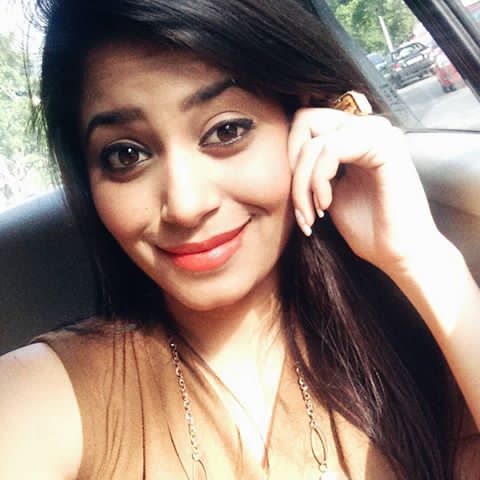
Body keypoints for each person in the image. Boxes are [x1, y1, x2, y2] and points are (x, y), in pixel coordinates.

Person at [0, 0, 479, 478]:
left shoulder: (411, 350)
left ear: (307, 116)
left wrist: (421, 259)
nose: (186, 205)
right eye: (127, 155)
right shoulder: (38, 398)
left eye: (226, 130)